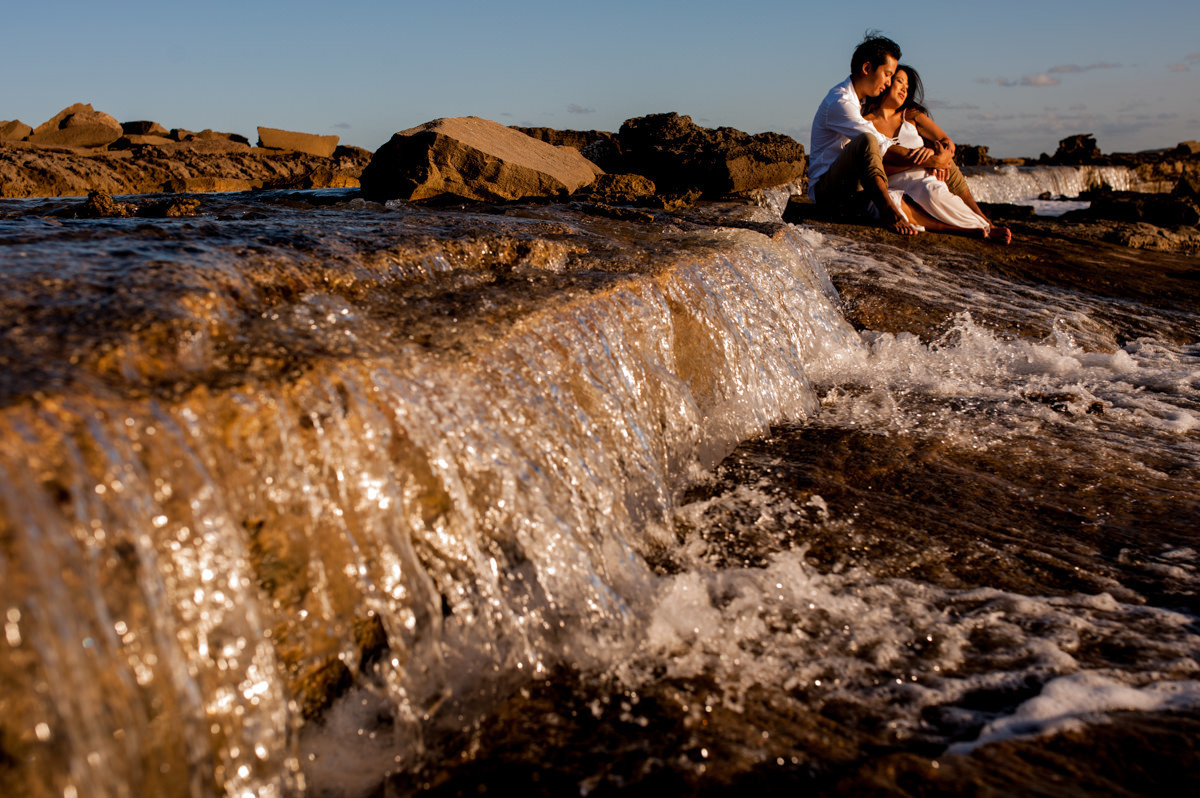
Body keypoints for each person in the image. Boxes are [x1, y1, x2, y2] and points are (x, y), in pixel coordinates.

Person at [808, 33, 955, 235]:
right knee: (868, 140)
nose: (888, 82)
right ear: (867, 68)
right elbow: (879, 145)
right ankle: (888, 213)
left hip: (855, 185)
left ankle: (980, 223)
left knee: (932, 178)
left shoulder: (861, 103)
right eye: (887, 74)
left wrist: (939, 156)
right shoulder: (840, 102)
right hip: (829, 192)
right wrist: (928, 160)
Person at [864, 64, 1012, 244]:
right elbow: (873, 167)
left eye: (907, 87)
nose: (904, 88)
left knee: (932, 193)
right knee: (891, 205)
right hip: (890, 183)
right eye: (899, 82)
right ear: (886, 83)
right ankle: (963, 229)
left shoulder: (911, 116)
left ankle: (984, 225)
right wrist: (926, 161)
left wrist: (938, 155)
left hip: (922, 179)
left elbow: (946, 142)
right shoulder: (864, 123)